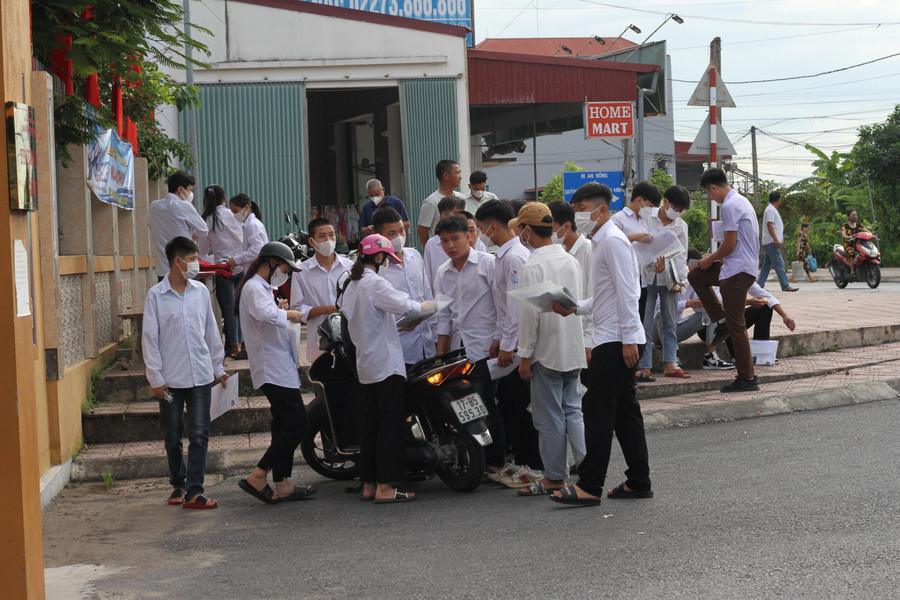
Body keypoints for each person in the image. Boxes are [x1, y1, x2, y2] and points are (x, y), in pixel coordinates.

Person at [549, 181, 651, 507]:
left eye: (581, 210)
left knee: (597, 410)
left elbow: (628, 292)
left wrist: (631, 339)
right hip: (613, 334)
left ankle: (590, 485)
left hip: (616, 339)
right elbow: (605, 295)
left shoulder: (613, 241)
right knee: (624, 413)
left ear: (601, 209)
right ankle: (638, 480)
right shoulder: (603, 240)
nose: (578, 216)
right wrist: (575, 307)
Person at [342, 234, 430, 503]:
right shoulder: (375, 283)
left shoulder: (351, 285)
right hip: (387, 365)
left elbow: (366, 322)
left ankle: (369, 484)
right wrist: (427, 306)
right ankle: (385, 487)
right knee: (390, 426)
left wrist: (398, 325)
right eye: (387, 259)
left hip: (366, 364)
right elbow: (406, 305)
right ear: (379, 257)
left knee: (370, 426)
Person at [142, 236, 228, 509]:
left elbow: (211, 332)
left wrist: (218, 367)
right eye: (192, 260)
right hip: (169, 381)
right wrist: (155, 378)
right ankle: (178, 482)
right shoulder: (156, 296)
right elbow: (150, 339)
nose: (196, 264)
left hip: (200, 375)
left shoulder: (200, 292)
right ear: (177, 262)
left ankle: (194, 490)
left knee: (200, 433)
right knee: (172, 433)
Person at [511, 203, 586, 497]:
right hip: (572, 346)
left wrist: (525, 356)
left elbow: (529, 317)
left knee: (549, 416)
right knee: (573, 410)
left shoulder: (533, 265)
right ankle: (587, 467)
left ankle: (555, 476)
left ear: (528, 230)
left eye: (521, 228)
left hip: (545, 350)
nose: (520, 233)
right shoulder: (570, 260)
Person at [236, 241, 315, 504]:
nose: (286, 273)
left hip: (279, 365)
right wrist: (292, 313)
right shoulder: (253, 287)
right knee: (298, 424)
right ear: (270, 263)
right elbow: (264, 315)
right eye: (284, 267)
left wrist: (282, 311)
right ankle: (258, 475)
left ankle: (283, 483)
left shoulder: (262, 288)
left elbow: (268, 315)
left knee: (283, 425)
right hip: (272, 367)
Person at [433, 214, 508, 476]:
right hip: (458, 352)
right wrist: (440, 355)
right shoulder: (443, 272)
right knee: (466, 407)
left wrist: (500, 339)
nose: (450, 245)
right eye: (444, 241)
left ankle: (495, 462)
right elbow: (444, 317)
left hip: (487, 347)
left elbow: (502, 306)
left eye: (455, 238)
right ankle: (478, 460)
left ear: (469, 236)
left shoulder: (488, 264)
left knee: (485, 405)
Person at [475, 200, 543, 486]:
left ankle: (534, 466)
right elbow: (502, 307)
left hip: (518, 346)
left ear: (492, 226)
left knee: (522, 407)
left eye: (479, 228)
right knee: (511, 407)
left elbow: (516, 307)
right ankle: (524, 462)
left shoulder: (515, 257)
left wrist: (508, 345)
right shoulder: (502, 256)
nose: (479, 234)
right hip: (508, 341)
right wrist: (498, 338)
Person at [689, 167, 761, 393]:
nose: (711, 198)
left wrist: (710, 259)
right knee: (695, 275)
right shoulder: (741, 201)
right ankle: (720, 319)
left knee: (736, 326)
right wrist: (710, 261)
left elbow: (728, 246)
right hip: (738, 267)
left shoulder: (729, 206)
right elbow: (729, 244)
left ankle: (747, 377)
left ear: (713, 187)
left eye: (709, 194)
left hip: (737, 271)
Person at [637, 185, 691, 380]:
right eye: (675, 207)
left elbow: (681, 255)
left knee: (670, 322)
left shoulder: (680, 226)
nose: (677, 212)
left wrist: (680, 281)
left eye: (681, 210)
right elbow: (638, 248)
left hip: (670, 279)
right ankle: (645, 366)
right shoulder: (646, 217)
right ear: (665, 201)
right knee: (645, 322)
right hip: (646, 277)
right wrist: (653, 267)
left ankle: (670, 363)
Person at [372, 207, 436, 367]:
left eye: (401, 231)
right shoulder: (375, 269)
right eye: (391, 234)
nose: (399, 237)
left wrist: (436, 338)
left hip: (426, 345)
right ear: (378, 237)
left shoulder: (414, 256)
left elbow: (427, 296)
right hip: (399, 349)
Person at [656, 248, 734, 370]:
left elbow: (710, 304)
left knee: (710, 310)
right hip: (658, 329)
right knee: (661, 315)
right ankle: (671, 356)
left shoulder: (692, 281)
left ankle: (710, 357)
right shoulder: (666, 277)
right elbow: (658, 308)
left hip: (678, 328)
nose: (693, 270)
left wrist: (711, 265)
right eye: (691, 266)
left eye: (696, 267)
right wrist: (686, 304)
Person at [290, 218, 353, 364]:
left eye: (331, 235)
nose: (328, 240)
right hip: (319, 342)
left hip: (349, 337)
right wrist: (325, 310)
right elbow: (297, 310)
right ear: (312, 242)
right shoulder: (301, 271)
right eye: (322, 236)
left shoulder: (349, 266)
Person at [199, 184, 245, 359]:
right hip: (240, 264)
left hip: (223, 268)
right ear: (224, 200)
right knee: (238, 307)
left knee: (229, 308)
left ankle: (233, 346)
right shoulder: (234, 215)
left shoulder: (208, 219)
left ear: (206, 200)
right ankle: (238, 343)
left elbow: (202, 250)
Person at [549, 200, 593, 364]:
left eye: (551, 227)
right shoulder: (561, 252)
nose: (548, 233)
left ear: (566, 226)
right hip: (567, 337)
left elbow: (595, 297)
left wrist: (588, 341)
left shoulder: (589, 251)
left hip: (585, 340)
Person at [148, 171, 208, 281]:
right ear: (180, 189)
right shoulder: (184, 206)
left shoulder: (154, 206)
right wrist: (194, 235)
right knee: (191, 297)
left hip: (163, 269)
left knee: (166, 297)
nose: (190, 194)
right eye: (189, 190)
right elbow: (203, 230)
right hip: (185, 269)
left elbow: (150, 226)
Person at [423, 196, 486, 292]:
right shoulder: (432, 246)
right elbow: (428, 274)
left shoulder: (487, 262)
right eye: (447, 213)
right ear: (440, 217)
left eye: (456, 213)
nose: (450, 245)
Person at [416, 159, 465, 244]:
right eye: (456, 173)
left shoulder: (461, 198)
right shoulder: (431, 202)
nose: (460, 177)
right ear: (446, 175)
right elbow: (422, 230)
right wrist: (431, 249)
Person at [757, 191, 798, 292]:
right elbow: (769, 225)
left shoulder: (771, 209)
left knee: (767, 265)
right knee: (779, 264)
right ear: (779, 200)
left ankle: (759, 286)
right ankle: (785, 286)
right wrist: (775, 239)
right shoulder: (771, 210)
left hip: (769, 241)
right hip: (771, 241)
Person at [227, 193, 269, 275]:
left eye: (236, 211)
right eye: (232, 212)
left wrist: (236, 260)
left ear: (246, 207)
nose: (235, 215)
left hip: (257, 273)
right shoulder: (248, 225)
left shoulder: (252, 225)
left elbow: (257, 250)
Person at [841, 209, 868, 278]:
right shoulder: (845, 225)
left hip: (859, 245)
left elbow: (866, 231)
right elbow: (843, 234)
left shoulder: (859, 225)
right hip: (848, 245)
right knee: (851, 253)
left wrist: (872, 235)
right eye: (853, 215)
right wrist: (847, 236)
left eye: (856, 215)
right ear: (848, 217)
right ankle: (852, 271)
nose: (855, 217)